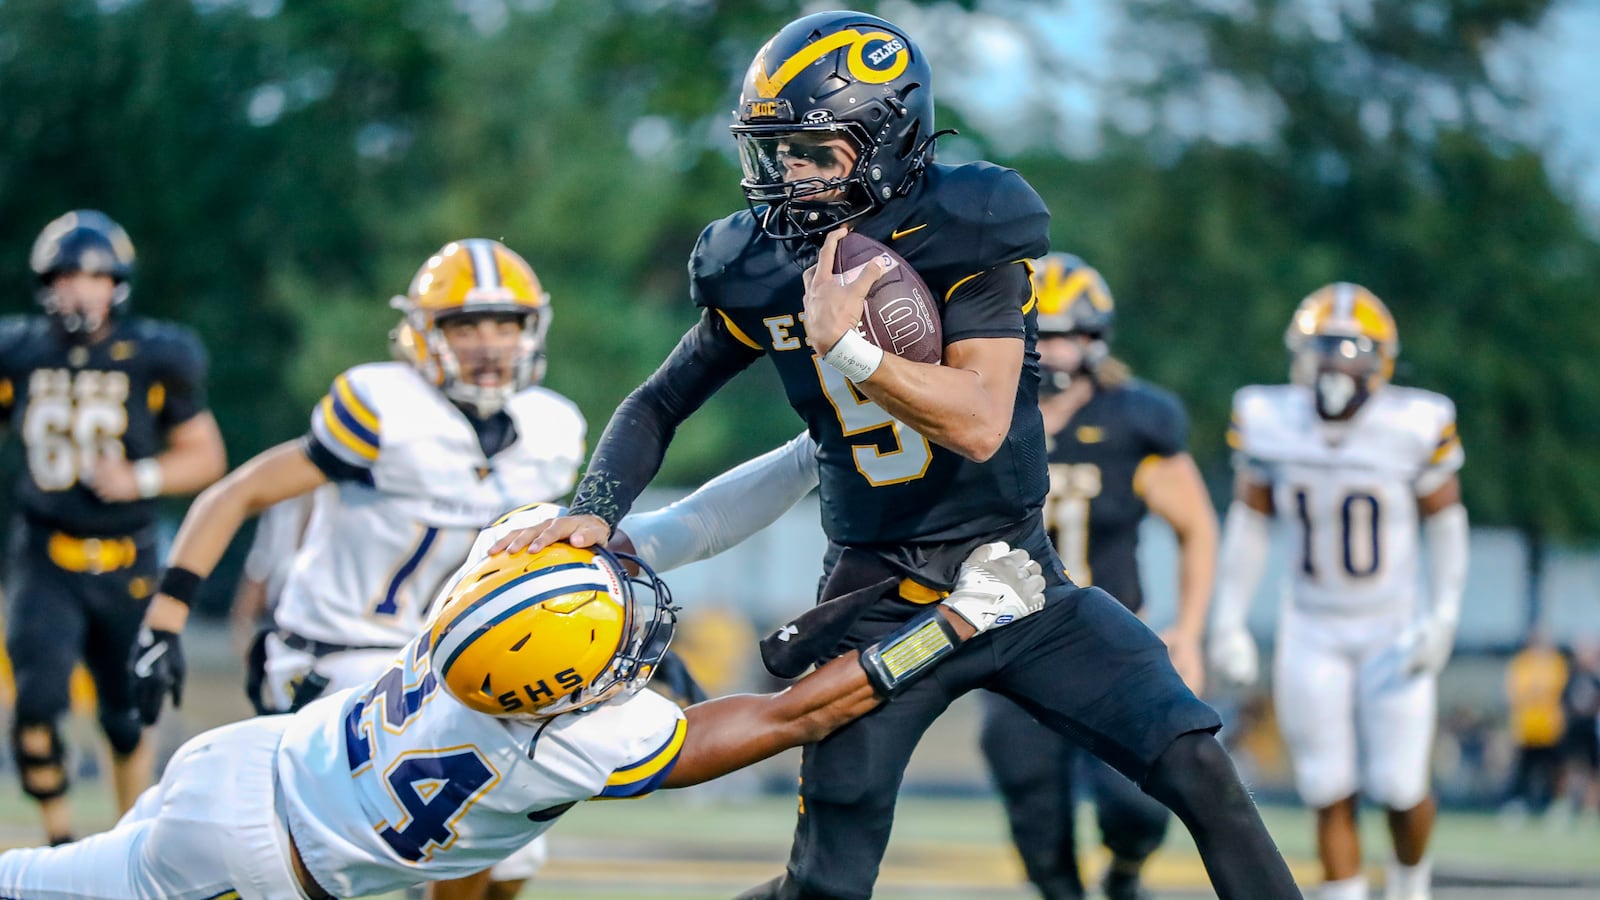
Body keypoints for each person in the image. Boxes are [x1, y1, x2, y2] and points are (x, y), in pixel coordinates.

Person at [496, 11, 1300, 899]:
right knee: (825, 887)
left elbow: (983, 423)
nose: (788, 179)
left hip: (1018, 578)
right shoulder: (755, 264)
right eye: (776, 153)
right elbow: (659, 400)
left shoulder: (970, 224)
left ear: (887, 141)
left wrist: (852, 351)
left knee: (1199, 769)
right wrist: (595, 506)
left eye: (814, 154)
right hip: (873, 597)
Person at [0, 504, 1048, 898]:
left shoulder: (489, 588)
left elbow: (670, 528)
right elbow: (797, 713)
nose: (640, 619)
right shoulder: (581, 740)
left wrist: (812, 456)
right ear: (564, 689)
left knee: (41, 879)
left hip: (246, 763)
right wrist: (956, 621)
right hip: (264, 870)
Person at [127, 238, 584, 899]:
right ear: (426, 333)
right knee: (466, 789)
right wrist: (165, 619)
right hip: (335, 652)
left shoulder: (551, 429)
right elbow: (236, 493)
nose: (489, 343)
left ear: (531, 330)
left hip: (442, 664)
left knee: (514, 854)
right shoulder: (383, 407)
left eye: (504, 323)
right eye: (466, 324)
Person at [1208, 283, 1469, 900]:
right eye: (1323, 349)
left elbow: (1446, 521)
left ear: (1379, 362)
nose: (1334, 365)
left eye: (1349, 351)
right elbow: (1250, 523)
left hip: (1391, 622)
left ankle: (1411, 886)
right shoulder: (1267, 417)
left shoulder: (1415, 421)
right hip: (1312, 625)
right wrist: (1228, 619)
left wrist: (1445, 615)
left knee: (1401, 786)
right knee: (1328, 786)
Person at [977, 253, 1218, 900]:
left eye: (1061, 335)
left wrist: (1190, 633)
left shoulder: (1134, 421)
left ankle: (1127, 872)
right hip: (1011, 643)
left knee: (1137, 803)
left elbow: (1196, 526)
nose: (1047, 351)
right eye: (1036, 334)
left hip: (1111, 644)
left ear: (1093, 339)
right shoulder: (979, 412)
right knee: (1031, 803)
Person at [0, 209, 226, 846]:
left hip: (127, 555)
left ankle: (127, 844)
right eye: (68, 276)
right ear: (47, 283)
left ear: (117, 285)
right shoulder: (19, 353)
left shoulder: (154, 356)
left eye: (94, 278)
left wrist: (141, 479)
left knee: (128, 715)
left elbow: (207, 457)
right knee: (37, 707)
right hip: (44, 552)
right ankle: (60, 843)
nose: (80, 290)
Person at [1500, 629, 1569, 823]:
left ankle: (1555, 806)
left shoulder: (1556, 663)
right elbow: (1513, 693)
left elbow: (1560, 692)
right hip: (1527, 728)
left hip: (1549, 728)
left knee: (1552, 770)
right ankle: (1516, 805)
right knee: (1523, 770)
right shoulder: (1522, 663)